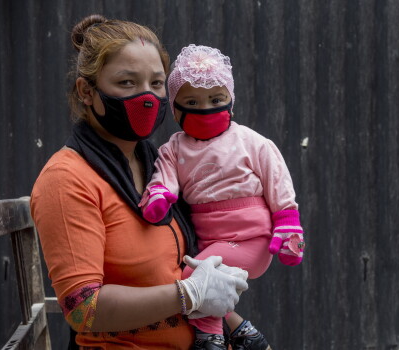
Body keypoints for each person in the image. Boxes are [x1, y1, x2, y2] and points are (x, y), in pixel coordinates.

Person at [30, 15, 249, 350]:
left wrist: (243, 329)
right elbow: (83, 308)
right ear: (87, 91)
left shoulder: (159, 165)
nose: (146, 96)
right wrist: (189, 294)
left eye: (156, 83)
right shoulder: (67, 178)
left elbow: (179, 270)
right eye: (127, 83)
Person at [139, 44, 306, 349]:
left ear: (230, 102)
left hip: (252, 241)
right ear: (176, 110)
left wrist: (289, 228)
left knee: (194, 275)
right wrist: (158, 196)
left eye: (215, 99)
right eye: (192, 101)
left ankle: (210, 337)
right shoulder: (175, 148)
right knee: (204, 276)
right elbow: (164, 176)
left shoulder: (251, 142)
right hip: (213, 242)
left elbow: (278, 183)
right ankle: (244, 333)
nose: (205, 109)